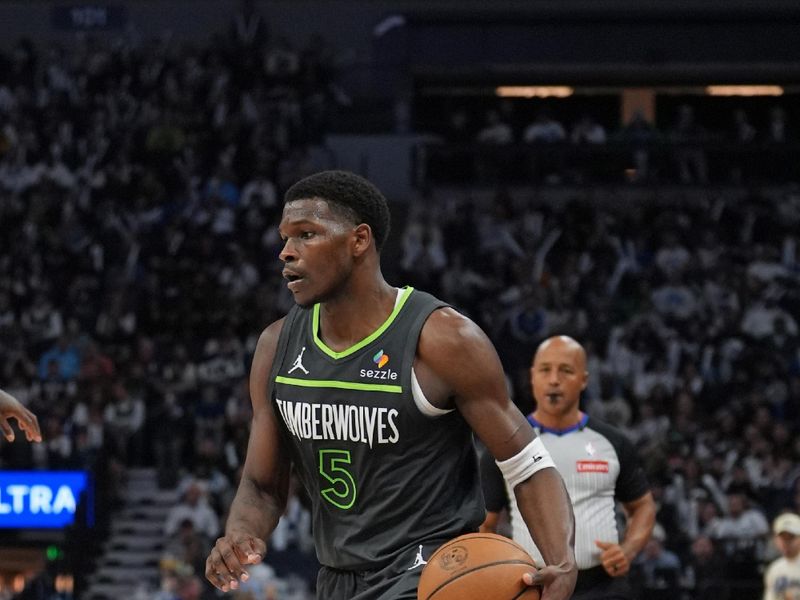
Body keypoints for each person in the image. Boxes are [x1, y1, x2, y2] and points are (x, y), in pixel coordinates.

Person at [204, 170, 578, 600]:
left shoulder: (443, 339)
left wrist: (562, 560)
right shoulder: (276, 348)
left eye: (306, 234)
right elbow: (262, 484)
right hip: (338, 577)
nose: (287, 253)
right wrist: (239, 535)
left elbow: (526, 464)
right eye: (285, 238)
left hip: (430, 572)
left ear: (359, 240)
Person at [481, 335, 656, 600]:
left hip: (604, 587)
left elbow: (642, 506)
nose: (554, 380)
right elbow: (485, 525)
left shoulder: (613, 442)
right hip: (531, 585)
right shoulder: (505, 445)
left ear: (584, 380)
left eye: (565, 371)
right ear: (532, 377)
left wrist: (629, 550)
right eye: (545, 370)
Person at [763, 512, 800, 600]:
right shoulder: (774, 568)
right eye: (783, 538)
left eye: (791, 537)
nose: (786, 542)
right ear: (776, 540)